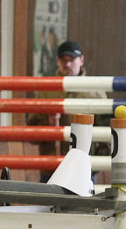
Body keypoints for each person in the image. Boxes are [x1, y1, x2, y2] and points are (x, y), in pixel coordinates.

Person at [28, 40, 107, 181]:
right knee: (50, 203)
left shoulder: (95, 91)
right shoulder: (46, 89)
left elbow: (105, 131)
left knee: (82, 203)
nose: (68, 64)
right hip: (51, 166)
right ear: (58, 61)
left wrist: (95, 165)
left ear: (81, 60)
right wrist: (49, 124)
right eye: (64, 60)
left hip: (83, 166)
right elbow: (32, 134)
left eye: (72, 60)